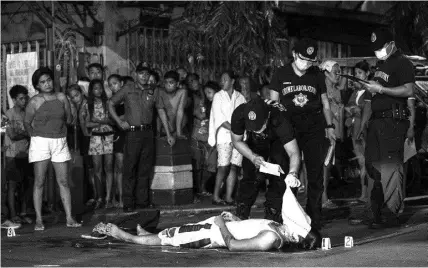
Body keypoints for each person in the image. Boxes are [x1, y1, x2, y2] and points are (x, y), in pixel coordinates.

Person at [269, 38, 335, 231]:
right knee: (290, 174)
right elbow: (274, 104)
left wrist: (330, 126)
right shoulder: (281, 74)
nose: (307, 63)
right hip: (289, 131)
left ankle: (314, 219)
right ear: (295, 55)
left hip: (313, 128)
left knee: (315, 175)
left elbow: (325, 103)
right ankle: (290, 219)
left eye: (310, 60)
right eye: (304, 59)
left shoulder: (316, 75)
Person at [355, 28, 415, 228]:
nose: (377, 52)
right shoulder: (381, 65)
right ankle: (377, 211)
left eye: (380, 48)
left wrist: (381, 88)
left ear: (391, 44)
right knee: (373, 167)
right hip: (377, 123)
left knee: (391, 167)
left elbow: (408, 90)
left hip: (393, 122)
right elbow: (372, 99)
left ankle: (391, 212)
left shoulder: (402, 63)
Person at [24, 67, 81, 231]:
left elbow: (70, 120)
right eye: (42, 82)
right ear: (37, 85)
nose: (47, 84)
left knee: (63, 181)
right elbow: (27, 123)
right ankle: (39, 220)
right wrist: (34, 137)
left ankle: (69, 217)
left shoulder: (62, 97)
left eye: (48, 80)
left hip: (60, 141)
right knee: (39, 181)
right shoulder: (34, 101)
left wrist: (73, 108)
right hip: (40, 142)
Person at [95, 211, 321, 251]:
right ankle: (145, 235)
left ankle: (125, 236)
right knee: (175, 231)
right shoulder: (277, 229)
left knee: (171, 239)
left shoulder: (272, 238)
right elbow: (249, 229)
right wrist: (235, 220)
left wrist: (222, 225)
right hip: (213, 227)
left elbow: (233, 246)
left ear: (296, 236)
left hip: (209, 235)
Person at [231, 96, 301, 221]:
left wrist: (293, 173)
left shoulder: (280, 118)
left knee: (280, 174)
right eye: (253, 127)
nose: (257, 130)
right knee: (250, 174)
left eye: (259, 126)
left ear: (267, 116)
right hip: (256, 142)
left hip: (279, 140)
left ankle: (274, 216)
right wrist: (253, 157)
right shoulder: (239, 113)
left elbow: (293, 152)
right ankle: (241, 213)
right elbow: (236, 141)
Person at [108, 64, 159, 212]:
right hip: (132, 133)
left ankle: (142, 201)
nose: (144, 76)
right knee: (129, 168)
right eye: (141, 73)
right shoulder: (128, 89)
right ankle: (128, 202)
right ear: (135, 74)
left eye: (146, 74)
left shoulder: (152, 90)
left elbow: (158, 111)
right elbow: (110, 103)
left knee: (145, 168)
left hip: (148, 133)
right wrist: (119, 121)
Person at [208, 71, 246, 205]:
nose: (222, 82)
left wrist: (239, 132)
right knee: (223, 166)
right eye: (221, 79)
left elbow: (244, 117)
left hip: (238, 137)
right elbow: (220, 118)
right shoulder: (218, 96)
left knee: (234, 166)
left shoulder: (240, 97)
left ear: (232, 81)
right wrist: (236, 130)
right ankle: (216, 196)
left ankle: (229, 197)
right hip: (224, 136)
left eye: (225, 79)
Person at [81, 79, 115, 209]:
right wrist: (101, 122)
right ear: (91, 90)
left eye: (100, 88)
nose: (98, 91)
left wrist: (98, 120)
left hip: (108, 137)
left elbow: (112, 121)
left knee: (109, 167)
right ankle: (99, 197)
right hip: (95, 138)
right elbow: (87, 123)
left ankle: (108, 198)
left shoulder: (108, 103)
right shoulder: (87, 104)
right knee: (97, 168)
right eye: (95, 88)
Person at [319, 60, 347, 209]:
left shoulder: (336, 90)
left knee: (328, 166)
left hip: (334, 134)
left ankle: (323, 197)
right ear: (325, 72)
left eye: (339, 71)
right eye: (335, 71)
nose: (338, 74)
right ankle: (323, 199)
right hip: (324, 133)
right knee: (324, 165)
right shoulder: (320, 90)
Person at [4, 85, 33, 224]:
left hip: (26, 154)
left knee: (26, 185)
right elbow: (12, 135)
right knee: (13, 185)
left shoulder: (26, 113)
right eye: (21, 98)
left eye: (25, 98)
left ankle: (23, 212)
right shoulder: (7, 115)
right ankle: (13, 214)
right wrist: (27, 134)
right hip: (12, 154)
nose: (24, 100)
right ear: (14, 100)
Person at [344, 61, 371, 202]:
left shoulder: (369, 91)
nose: (357, 76)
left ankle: (369, 193)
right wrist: (351, 112)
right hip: (355, 132)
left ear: (367, 74)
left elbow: (366, 111)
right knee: (361, 164)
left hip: (365, 131)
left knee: (367, 162)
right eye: (355, 73)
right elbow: (348, 109)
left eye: (360, 73)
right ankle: (363, 193)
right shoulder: (355, 92)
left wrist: (356, 110)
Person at [66, 84, 95, 206]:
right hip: (79, 139)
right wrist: (71, 106)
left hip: (89, 137)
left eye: (77, 95)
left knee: (91, 168)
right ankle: (86, 195)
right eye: (72, 97)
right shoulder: (74, 106)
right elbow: (70, 122)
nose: (75, 99)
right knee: (84, 167)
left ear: (82, 93)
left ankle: (95, 195)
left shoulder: (88, 104)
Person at [190, 81, 220, 197]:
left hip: (212, 138)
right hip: (202, 137)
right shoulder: (204, 104)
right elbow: (199, 115)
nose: (208, 95)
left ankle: (206, 188)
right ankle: (201, 189)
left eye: (209, 92)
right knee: (201, 164)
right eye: (206, 92)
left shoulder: (219, 104)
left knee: (210, 165)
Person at [108, 74, 125, 208]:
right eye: (110, 85)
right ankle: (120, 197)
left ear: (121, 83)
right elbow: (111, 119)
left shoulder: (129, 99)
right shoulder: (112, 102)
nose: (113, 87)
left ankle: (126, 196)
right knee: (119, 167)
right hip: (118, 135)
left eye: (115, 83)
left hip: (130, 135)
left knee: (127, 167)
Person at [157, 71, 188, 146]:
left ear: (177, 84)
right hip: (163, 125)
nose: (168, 85)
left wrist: (178, 133)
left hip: (178, 124)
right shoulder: (159, 91)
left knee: (184, 116)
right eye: (166, 82)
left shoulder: (182, 92)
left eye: (171, 82)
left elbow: (180, 111)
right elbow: (161, 112)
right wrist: (168, 135)